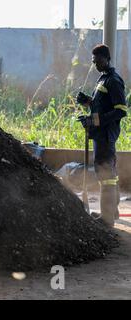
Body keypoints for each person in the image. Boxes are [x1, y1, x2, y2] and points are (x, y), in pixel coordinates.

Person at [76, 44, 128, 227]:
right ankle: (111, 212)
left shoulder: (113, 81)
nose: (96, 64)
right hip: (100, 134)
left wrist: (94, 121)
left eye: (98, 61)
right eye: (93, 62)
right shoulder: (102, 80)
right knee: (106, 172)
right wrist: (89, 102)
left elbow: (121, 111)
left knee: (105, 173)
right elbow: (102, 106)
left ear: (107, 58)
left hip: (106, 134)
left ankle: (107, 218)